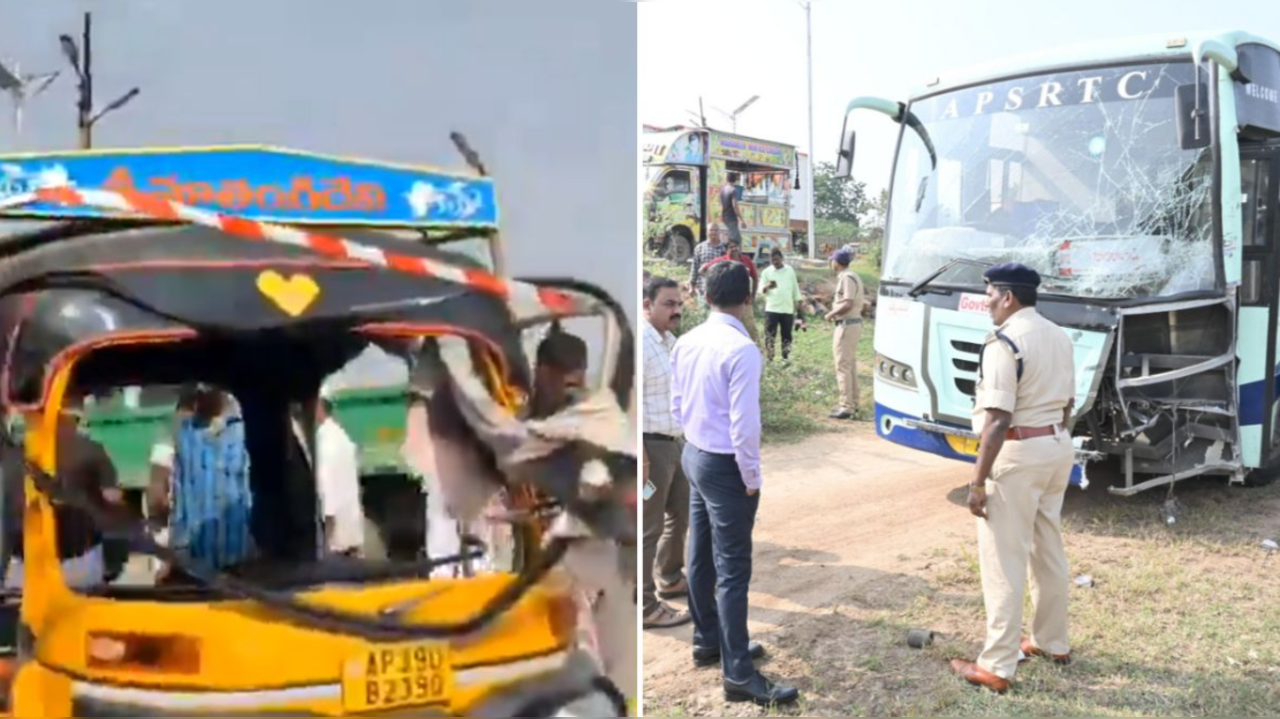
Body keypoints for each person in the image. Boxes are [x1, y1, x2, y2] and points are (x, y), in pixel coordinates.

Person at [670, 262, 799, 707]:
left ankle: (710, 641)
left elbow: (676, 403)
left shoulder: (686, 340)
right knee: (733, 568)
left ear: (705, 297)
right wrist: (750, 477)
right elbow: (745, 427)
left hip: (694, 454)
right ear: (749, 298)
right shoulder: (741, 350)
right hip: (725, 465)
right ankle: (738, 674)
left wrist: (694, 442)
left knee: (700, 552)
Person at [950, 263, 1076, 694]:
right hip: (1057, 446)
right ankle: (1051, 641)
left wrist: (977, 480)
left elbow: (998, 419)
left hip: (1019, 452)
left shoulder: (1004, 341)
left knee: (1004, 560)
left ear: (1007, 296)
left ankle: (997, 666)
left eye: (988, 294)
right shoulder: (1059, 335)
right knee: (1048, 547)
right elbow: (1068, 405)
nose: (986, 302)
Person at [1, 389, 126, 590]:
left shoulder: (18, 453)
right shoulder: (92, 449)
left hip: (25, 566)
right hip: (78, 563)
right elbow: (112, 503)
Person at [641, 276, 692, 630]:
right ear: (647, 305)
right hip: (649, 447)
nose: (676, 310)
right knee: (648, 527)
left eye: (678, 303)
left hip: (675, 442)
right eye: (667, 304)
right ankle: (643, 606)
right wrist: (640, 456)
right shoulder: (640, 344)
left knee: (680, 513)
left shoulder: (668, 341)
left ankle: (669, 577)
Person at [165, 386, 254, 576]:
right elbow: (180, 496)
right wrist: (176, 550)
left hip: (239, 563)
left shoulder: (246, 431)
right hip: (193, 565)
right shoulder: (183, 433)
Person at [314, 383, 366, 557]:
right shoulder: (341, 435)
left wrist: (327, 525)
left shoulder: (325, 440)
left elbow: (327, 487)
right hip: (351, 537)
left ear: (319, 405)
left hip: (336, 541)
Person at [824, 249, 867, 420]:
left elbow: (848, 303)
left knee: (842, 365)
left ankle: (846, 406)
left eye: (832, 260)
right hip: (852, 324)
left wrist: (831, 313)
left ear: (837, 262)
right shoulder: (851, 275)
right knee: (849, 366)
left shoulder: (847, 277)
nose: (831, 263)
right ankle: (853, 403)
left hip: (847, 325)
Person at [700, 240, 760, 344]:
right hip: (727, 302)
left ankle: (757, 351)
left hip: (744, 301)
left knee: (750, 328)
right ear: (726, 250)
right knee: (728, 328)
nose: (734, 249)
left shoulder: (746, 260)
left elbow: (755, 278)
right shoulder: (722, 261)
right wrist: (715, 282)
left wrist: (753, 296)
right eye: (731, 247)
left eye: (736, 246)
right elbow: (702, 270)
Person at [757, 248, 805, 362]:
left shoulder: (790, 270)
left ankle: (786, 357)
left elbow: (795, 288)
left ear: (782, 258)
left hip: (787, 309)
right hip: (772, 309)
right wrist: (767, 286)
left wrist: (799, 302)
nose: (775, 262)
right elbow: (760, 291)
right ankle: (770, 357)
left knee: (786, 335)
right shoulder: (766, 272)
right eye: (773, 260)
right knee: (770, 335)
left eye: (777, 259)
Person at [690, 230, 724, 298]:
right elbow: (694, 267)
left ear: (719, 232)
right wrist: (691, 286)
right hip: (702, 288)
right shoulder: (699, 247)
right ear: (706, 233)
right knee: (703, 308)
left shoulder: (725, 248)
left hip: (720, 289)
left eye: (715, 230)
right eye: (711, 230)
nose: (714, 232)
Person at [721, 171, 744, 245]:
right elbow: (735, 205)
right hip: (731, 218)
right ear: (735, 179)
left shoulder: (723, 189)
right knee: (734, 239)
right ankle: (730, 255)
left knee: (737, 239)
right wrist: (741, 219)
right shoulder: (733, 190)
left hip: (725, 216)